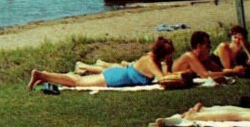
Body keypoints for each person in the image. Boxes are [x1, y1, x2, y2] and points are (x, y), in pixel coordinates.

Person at [28, 36, 174, 89]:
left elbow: (164, 76)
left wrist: (168, 65)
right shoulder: (151, 62)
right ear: (163, 54)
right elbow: (163, 80)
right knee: (77, 82)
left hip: (119, 74)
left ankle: (46, 76)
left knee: (79, 80)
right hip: (117, 78)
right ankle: (41, 75)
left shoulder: (150, 58)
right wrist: (168, 65)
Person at [171, 30, 246, 80]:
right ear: (199, 46)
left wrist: (237, 70)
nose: (210, 47)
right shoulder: (189, 56)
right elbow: (205, 75)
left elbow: (219, 70)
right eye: (207, 45)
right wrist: (233, 72)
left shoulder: (204, 59)